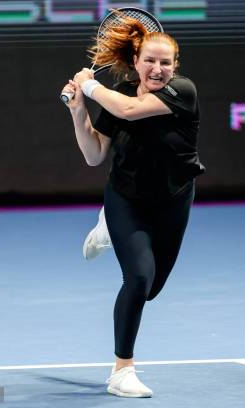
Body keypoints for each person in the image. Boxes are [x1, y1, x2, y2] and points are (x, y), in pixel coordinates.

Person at [61, 16, 204, 398]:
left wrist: (90, 85)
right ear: (137, 60)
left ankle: (107, 227)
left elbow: (127, 110)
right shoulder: (120, 92)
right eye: (150, 61)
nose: (158, 69)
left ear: (176, 66)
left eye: (166, 63)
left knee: (152, 288)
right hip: (125, 196)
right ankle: (122, 369)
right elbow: (95, 155)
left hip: (173, 199)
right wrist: (78, 111)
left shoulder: (182, 92)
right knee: (138, 278)